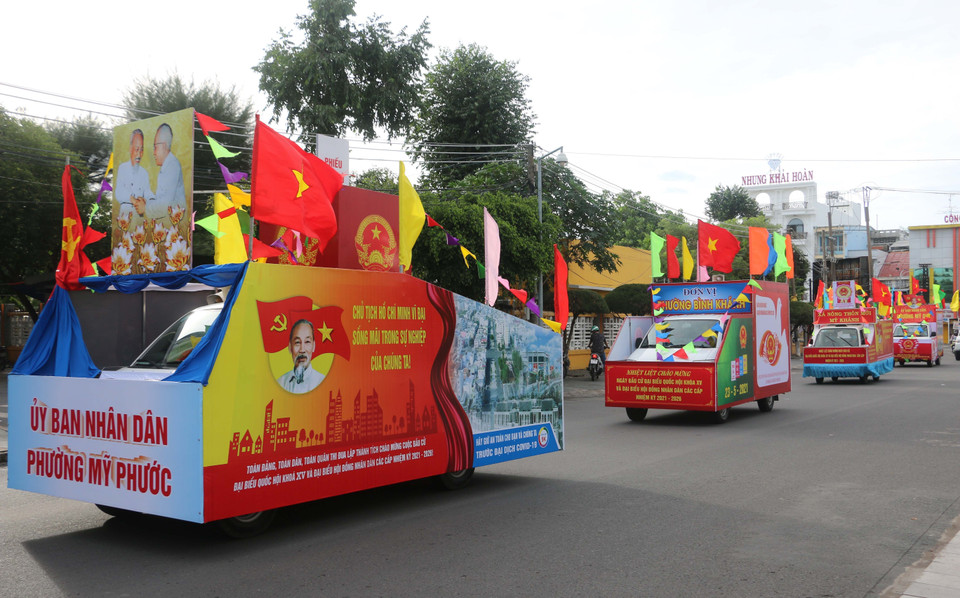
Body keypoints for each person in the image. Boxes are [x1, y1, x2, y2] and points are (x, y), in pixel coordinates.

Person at [136, 123, 186, 223]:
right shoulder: (167, 165)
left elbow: (164, 207)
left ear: (163, 146)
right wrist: (146, 198)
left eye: (155, 147)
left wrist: (145, 207)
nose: (154, 153)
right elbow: (161, 199)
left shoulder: (172, 166)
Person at [115, 129, 153, 224]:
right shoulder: (122, 168)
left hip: (139, 220)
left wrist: (153, 200)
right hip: (125, 218)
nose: (139, 154)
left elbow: (147, 192)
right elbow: (118, 192)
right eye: (136, 149)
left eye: (142, 150)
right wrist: (132, 199)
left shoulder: (144, 173)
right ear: (130, 148)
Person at [277, 319, 325, 393]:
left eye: (307, 342)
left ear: (314, 346)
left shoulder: (323, 382)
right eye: (297, 342)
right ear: (290, 347)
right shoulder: (281, 383)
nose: (302, 350)